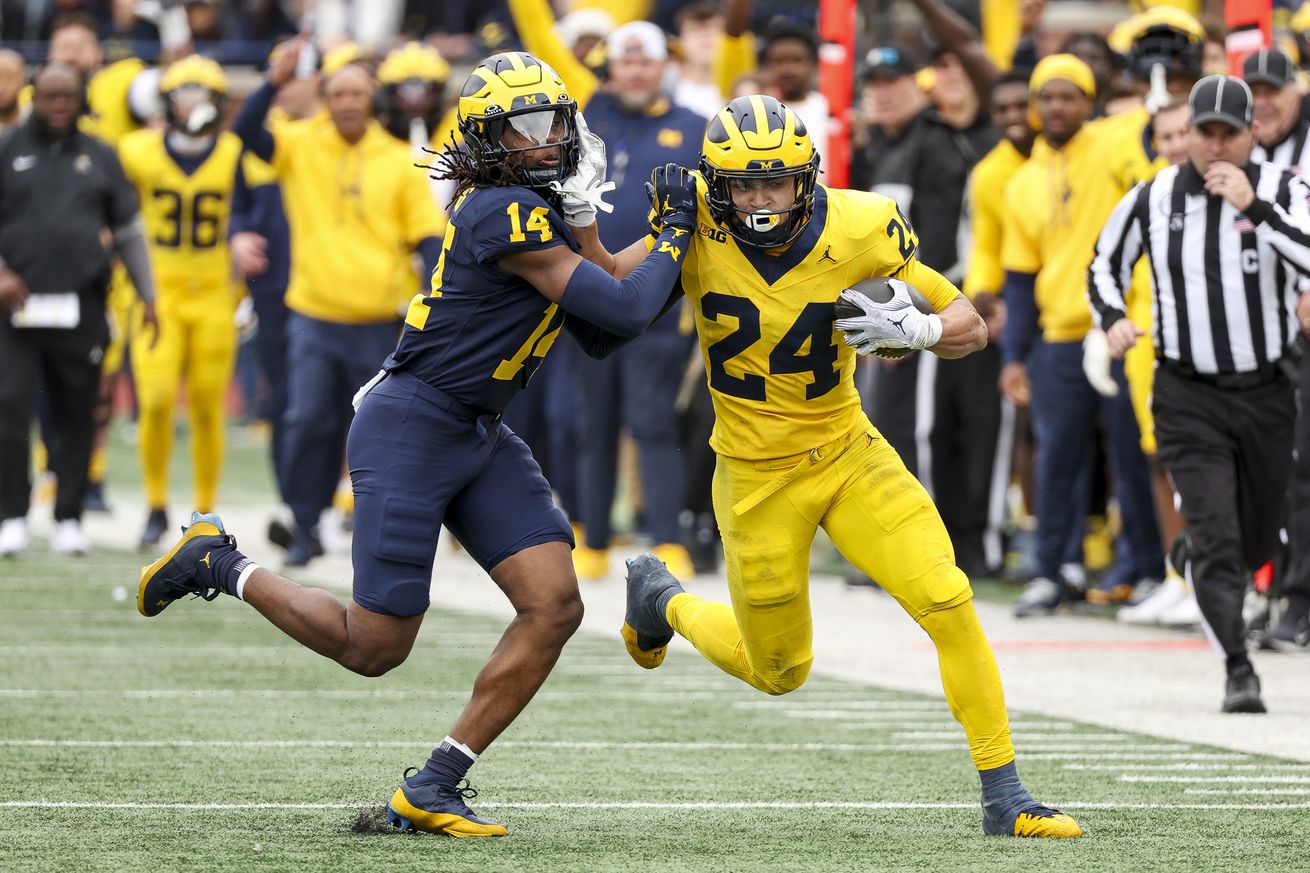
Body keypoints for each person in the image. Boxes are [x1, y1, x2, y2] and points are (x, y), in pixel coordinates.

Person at [137, 50, 695, 838]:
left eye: (555, 118)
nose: (550, 136)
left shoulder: (541, 203)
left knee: (554, 604)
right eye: (527, 124)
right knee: (375, 646)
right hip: (414, 424)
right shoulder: (499, 208)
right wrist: (675, 229)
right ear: (489, 140)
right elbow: (625, 311)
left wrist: (678, 232)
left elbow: (605, 294)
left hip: (477, 427)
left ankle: (434, 783)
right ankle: (217, 560)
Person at [621, 94, 1081, 839]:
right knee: (778, 671)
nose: (762, 198)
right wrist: (604, 222)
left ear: (808, 177)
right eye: (744, 183)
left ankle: (1007, 794)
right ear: (717, 185)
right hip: (754, 476)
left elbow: (967, 323)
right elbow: (611, 293)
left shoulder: (862, 225)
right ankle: (663, 600)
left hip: (846, 450)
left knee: (948, 596)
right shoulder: (695, 226)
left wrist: (923, 327)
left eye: (775, 181)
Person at [1088, 74, 1310, 711]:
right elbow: (1102, 262)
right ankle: (1238, 667)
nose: (1214, 145)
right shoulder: (1153, 195)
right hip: (1187, 392)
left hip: (1268, 390)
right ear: (1187, 135)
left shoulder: (1282, 187)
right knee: (1218, 537)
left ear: (1254, 132)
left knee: (1261, 542)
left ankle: (1201, 551)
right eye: (1202, 132)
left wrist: (1254, 209)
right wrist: (1111, 320)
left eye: (1227, 133)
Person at [232, 41, 447, 567]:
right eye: (338, 93)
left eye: (357, 93)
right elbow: (244, 134)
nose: (348, 102)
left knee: (376, 430)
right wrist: (273, 79)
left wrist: (441, 297)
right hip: (313, 312)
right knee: (307, 420)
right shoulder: (301, 144)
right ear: (324, 97)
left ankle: (376, 528)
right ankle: (305, 524)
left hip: (377, 318)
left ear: (373, 98)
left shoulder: (400, 160)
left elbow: (427, 236)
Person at [1000, 55, 1163, 616]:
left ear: (1090, 101)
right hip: (1060, 335)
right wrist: (1014, 355)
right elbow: (1019, 281)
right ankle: (1053, 570)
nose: (1057, 107)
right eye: (1047, 97)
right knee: (1055, 458)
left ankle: (1149, 569)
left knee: (1132, 452)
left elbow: (1152, 123)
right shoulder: (1021, 183)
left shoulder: (1113, 144)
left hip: (1119, 327)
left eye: (1069, 96)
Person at [0, 63, 157, 557]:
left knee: (77, 410)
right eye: (50, 95)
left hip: (81, 304)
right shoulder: (6, 147)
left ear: (82, 97)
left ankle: (69, 515)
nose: (59, 104)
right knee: (8, 408)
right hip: (13, 308)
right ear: (34, 96)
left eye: (68, 94)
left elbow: (129, 232)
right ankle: (11, 516)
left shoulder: (101, 154)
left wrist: (149, 295)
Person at [120, 55, 247, 548]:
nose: (192, 104)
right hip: (159, 293)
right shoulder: (138, 150)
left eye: (201, 95)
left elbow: (257, 212)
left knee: (206, 406)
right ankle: (155, 503)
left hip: (216, 292)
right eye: (182, 94)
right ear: (165, 102)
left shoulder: (236, 152)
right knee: (152, 401)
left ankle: (205, 510)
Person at [1242, 48, 1310, 650]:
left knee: (1303, 466)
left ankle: (1299, 600)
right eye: (1252, 89)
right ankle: (1279, 591)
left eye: (1273, 88)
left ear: (1296, 89)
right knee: (1276, 465)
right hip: (1266, 331)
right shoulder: (1245, 149)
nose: (1263, 99)